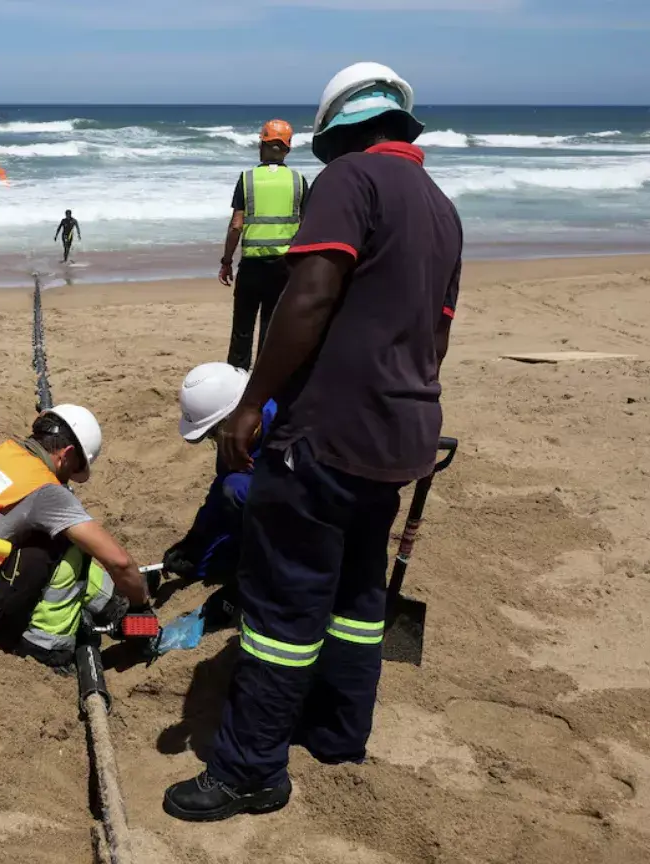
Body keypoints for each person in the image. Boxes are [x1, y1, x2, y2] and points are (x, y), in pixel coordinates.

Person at [163, 61, 462, 823]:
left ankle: (249, 770)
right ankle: (336, 730)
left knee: (283, 606)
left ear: (342, 132)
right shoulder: (441, 206)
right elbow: (436, 335)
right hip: (401, 433)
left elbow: (313, 293)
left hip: (326, 433)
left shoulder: (349, 182)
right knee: (359, 592)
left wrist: (254, 401)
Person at [0, 405, 152, 669]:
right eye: (73, 470)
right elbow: (119, 562)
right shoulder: (44, 488)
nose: (68, 480)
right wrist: (141, 607)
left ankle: (110, 604)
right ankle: (47, 648)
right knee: (69, 544)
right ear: (67, 454)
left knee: (41, 533)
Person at [159, 363, 277, 641]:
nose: (216, 441)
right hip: (259, 511)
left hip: (299, 520)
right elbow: (218, 492)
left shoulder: (284, 428)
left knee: (236, 490)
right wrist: (194, 540)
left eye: (215, 432)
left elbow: (295, 511)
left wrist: (240, 589)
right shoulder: (235, 438)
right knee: (204, 563)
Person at [219, 120, 309, 370]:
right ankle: (264, 383)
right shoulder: (298, 181)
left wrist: (226, 261)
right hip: (284, 268)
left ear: (262, 145)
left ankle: (236, 378)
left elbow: (236, 225)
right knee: (272, 329)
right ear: (288, 149)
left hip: (251, 268)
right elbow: (307, 225)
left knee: (242, 330)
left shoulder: (248, 179)